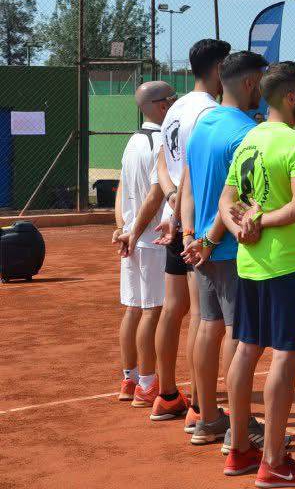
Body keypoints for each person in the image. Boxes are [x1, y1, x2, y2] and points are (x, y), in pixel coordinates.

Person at [218, 61, 295, 485]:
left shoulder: (249, 139)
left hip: (249, 265)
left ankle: (240, 448)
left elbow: (226, 204)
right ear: (292, 97)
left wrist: (240, 226)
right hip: (288, 267)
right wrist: (257, 223)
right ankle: (274, 461)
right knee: (285, 357)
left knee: (246, 350)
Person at [179, 50, 268, 447]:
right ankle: (237, 424)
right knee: (237, 332)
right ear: (250, 84)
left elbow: (190, 186)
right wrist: (213, 238)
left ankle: (207, 418)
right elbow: (233, 199)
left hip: (202, 247)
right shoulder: (247, 131)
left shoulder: (203, 125)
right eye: (262, 82)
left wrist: (190, 236)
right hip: (228, 247)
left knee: (209, 326)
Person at [147, 38, 231, 424]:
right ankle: (200, 406)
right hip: (196, 223)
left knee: (173, 309)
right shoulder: (210, 110)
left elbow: (164, 160)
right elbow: (194, 170)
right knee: (202, 315)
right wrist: (183, 210)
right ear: (217, 69)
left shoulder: (176, 107)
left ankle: (166, 395)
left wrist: (171, 202)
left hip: (178, 216)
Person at [113, 81, 177, 404]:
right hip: (150, 239)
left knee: (133, 309)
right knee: (153, 311)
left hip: (134, 238)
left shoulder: (132, 142)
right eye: (173, 99)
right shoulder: (160, 142)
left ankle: (130, 379)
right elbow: (155, 195)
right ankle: (148, 384)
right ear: (162, 106)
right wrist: (134, 232)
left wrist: (122, 229)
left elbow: (121, 190)